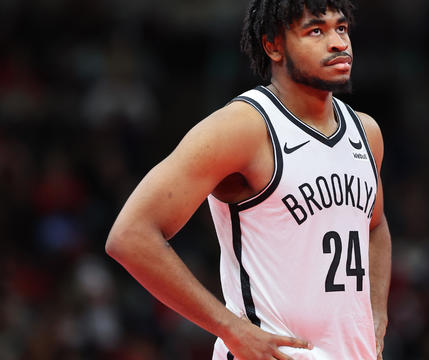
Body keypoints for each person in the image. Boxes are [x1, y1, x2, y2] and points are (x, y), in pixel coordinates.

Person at [105, 0, 391, 359]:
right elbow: (130, 235)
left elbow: (375, 226)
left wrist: (377, 314)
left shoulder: (366, 132)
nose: (338, 43)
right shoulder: (244, 126)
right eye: (316, 30)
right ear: (273, 45)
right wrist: (229, 327)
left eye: (341, 28)